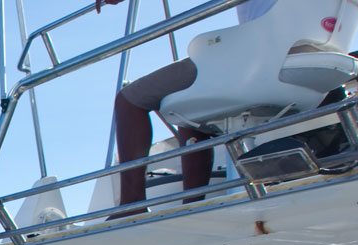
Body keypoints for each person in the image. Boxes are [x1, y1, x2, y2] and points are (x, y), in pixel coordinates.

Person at [105, 0, 278, 208]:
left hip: (256, 60)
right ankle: (192, 204)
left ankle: (132, 206)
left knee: (129, 99)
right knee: (187, 104)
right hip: (313, 59)